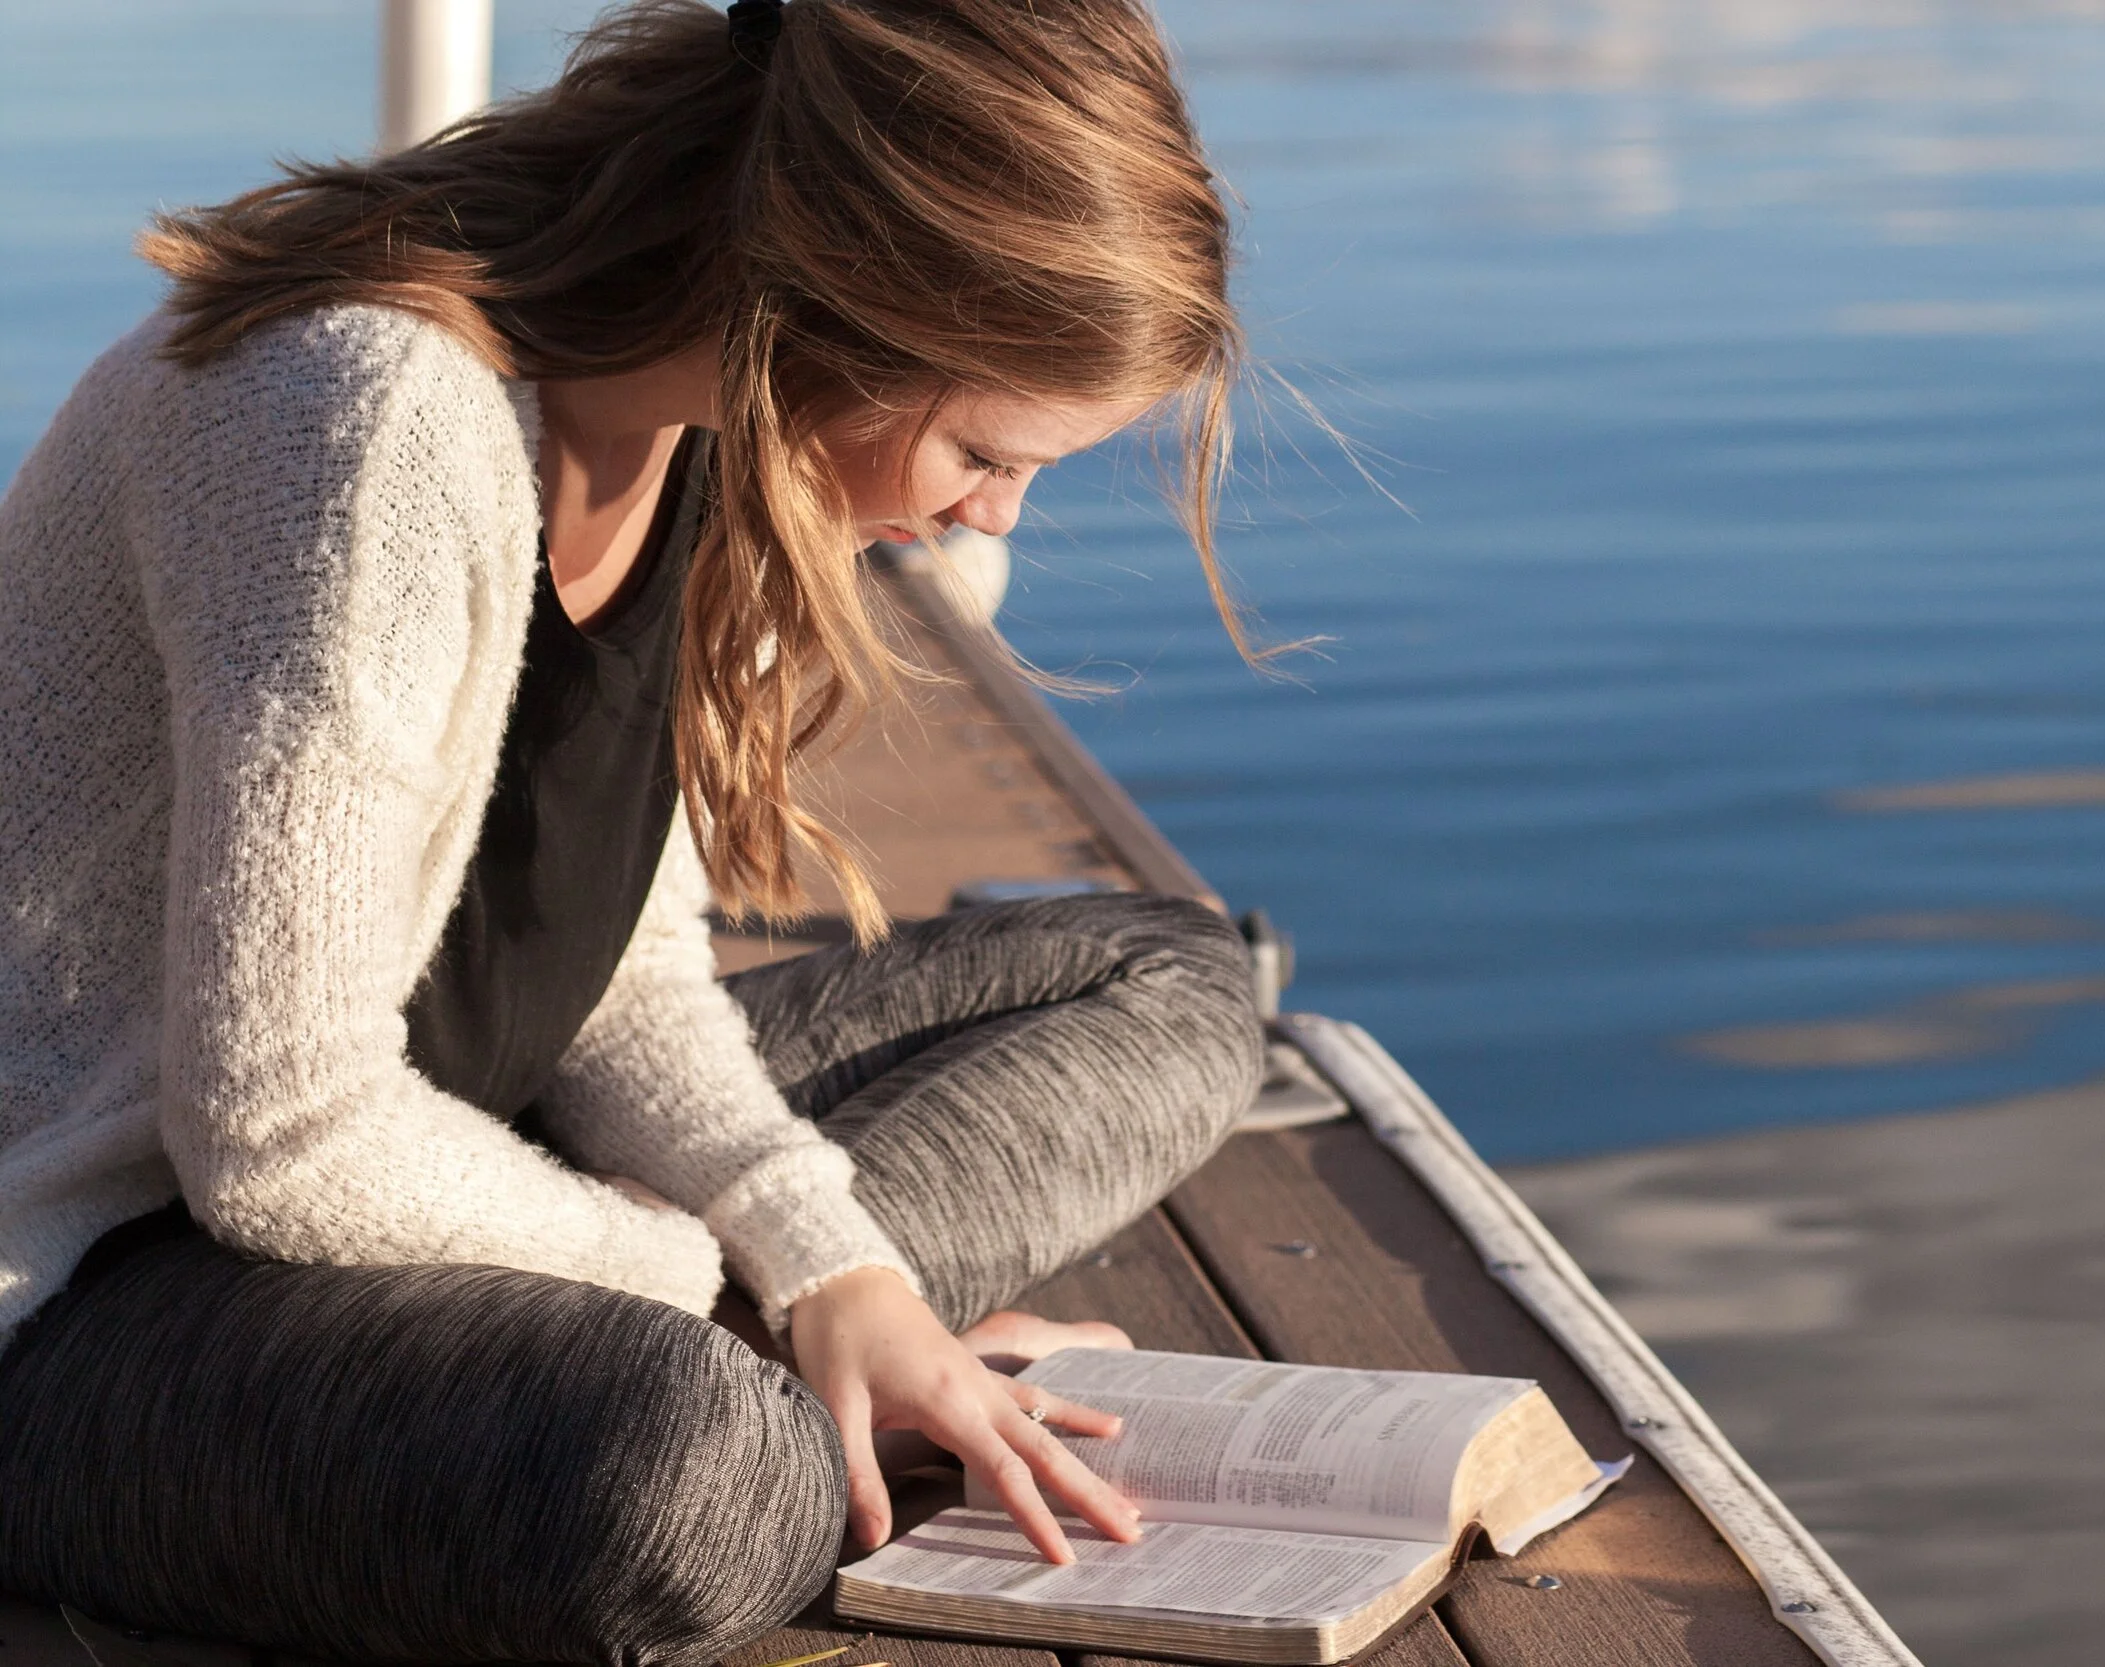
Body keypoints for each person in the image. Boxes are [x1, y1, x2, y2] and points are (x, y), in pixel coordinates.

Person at [0, 1, 1266, 1661]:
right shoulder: (364, 423)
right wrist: (706, 1281)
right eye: (980, 449)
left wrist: (834, 1270)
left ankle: (854, 1365)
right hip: (101, 1286)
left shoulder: (702, 436)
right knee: (689, 1475)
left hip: (455, 1164)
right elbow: (282, 1133)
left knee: (1164, 977)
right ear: (837, 301)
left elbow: (615, 973)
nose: (992, 515)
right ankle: (808, 1396)